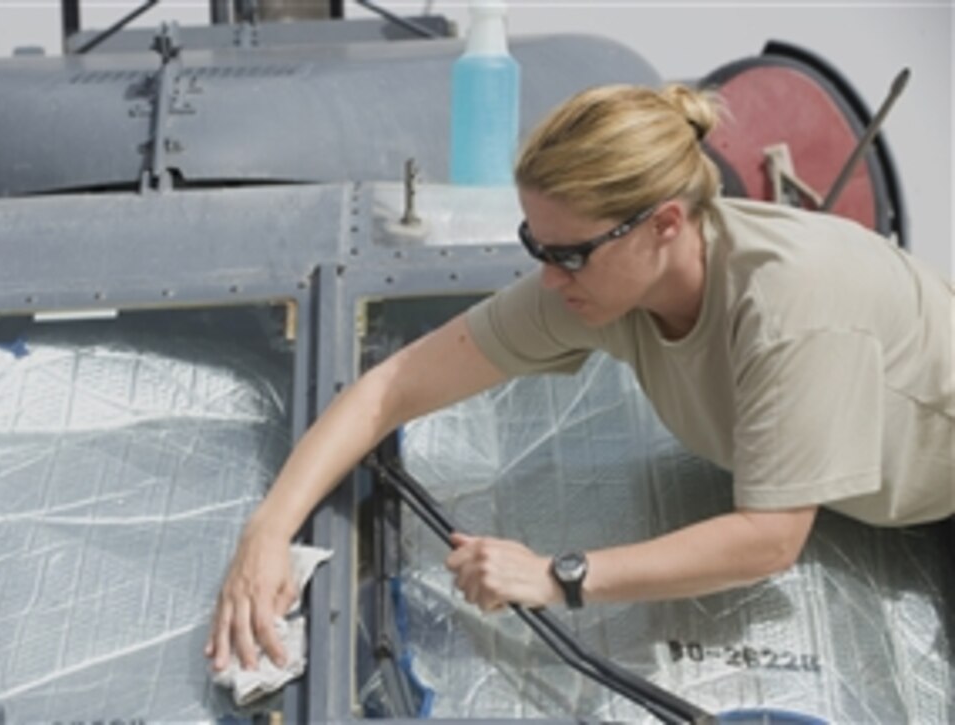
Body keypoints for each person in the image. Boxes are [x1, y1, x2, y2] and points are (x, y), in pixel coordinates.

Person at [205, 83, 954, 673]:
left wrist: (557, 575)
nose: (547, 274)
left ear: (664, 224)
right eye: (536, 241)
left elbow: (769, 539)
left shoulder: (791, 306)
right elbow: (391, 387)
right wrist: (268, 531)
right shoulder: (600, 287)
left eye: (568, 251)